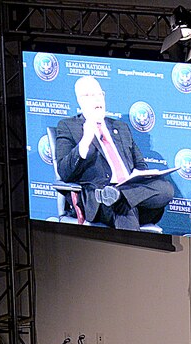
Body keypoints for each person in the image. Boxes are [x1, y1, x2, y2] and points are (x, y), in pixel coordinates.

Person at [54, 75, 174, 231]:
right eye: (89, 95)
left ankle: (119, 195)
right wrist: (85, 142)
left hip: (132, 195)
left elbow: (140, 165)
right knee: (123, 210)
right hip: (100, 201)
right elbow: (64, 172)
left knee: (166, 189)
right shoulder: (68, 126)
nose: (96, 99)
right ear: (80, 100)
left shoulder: (120, 127)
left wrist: (141, 175)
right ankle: (118, 199)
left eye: (99, 94)